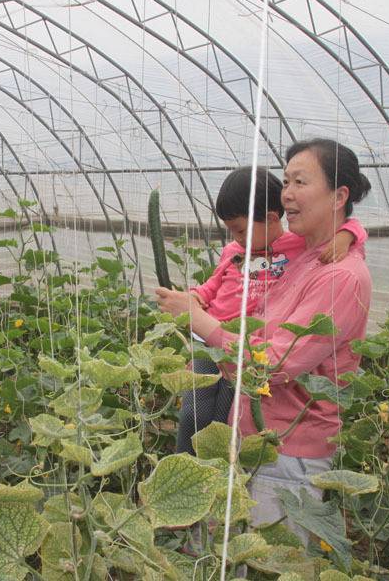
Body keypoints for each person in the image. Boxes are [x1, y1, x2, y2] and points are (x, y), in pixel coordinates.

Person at [157, 139, 372, 544]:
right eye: (286, 180)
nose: (287, 192)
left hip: (288, 452)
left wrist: (202, 324)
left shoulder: (338, 274)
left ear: (339, 195)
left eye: (300, 181)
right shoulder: (305, 256)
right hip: (257, 440)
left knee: (267, 559)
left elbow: (271, 367)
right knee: (241, 550)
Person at [176, 165, 367, 455]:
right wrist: (193, 298)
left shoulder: (297, 246)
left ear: (271, 218)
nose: (235, 238)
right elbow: (212, 285)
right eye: (230, 230)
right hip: (208, 340)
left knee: (226, 420)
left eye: (239, 229)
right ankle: (184, 465)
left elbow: (347, 227)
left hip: (244, 350)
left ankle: (214, 473)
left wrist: (346, 236)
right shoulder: (233, 252)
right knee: (193, 414)